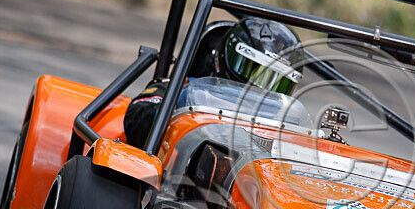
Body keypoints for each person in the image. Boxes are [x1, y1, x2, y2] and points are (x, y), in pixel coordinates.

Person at [123, 17, 305, 149]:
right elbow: (138, 115)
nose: (259, 87)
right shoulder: (181, 90)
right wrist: (173, 114)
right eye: (253, 70)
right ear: (224, 59)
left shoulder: (284, 123)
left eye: (274, 80)